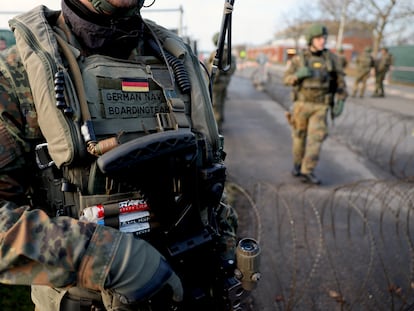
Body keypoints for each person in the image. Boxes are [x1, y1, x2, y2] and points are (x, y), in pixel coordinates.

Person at [0, 1, 246, 310]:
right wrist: (107, 259)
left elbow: (207, 182)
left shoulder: (180, 62)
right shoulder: (16, 72)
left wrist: (226, 254)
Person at [283, 23, 347, 185]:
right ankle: (297, 165)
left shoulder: (332, 59)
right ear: (311, 39)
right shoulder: (299, 59)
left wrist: (341, 98)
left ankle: (307, 170)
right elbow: (286, 79)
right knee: (299, 138)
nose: (322, 41)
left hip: (320, 106)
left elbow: (340, 81)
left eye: (324, 38)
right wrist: (297, 75)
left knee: (316, 139)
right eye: (319, 38)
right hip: (301, 105)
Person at [207, 32, 237, 131]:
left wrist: (213, 80)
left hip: (217, 83)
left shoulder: (218, 52)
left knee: (216, 104)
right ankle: (220, 120)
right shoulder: (228, 52)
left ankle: (217, 125)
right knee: (221, 102)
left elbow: (214, 69)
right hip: (224, 82)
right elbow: (232, 68)